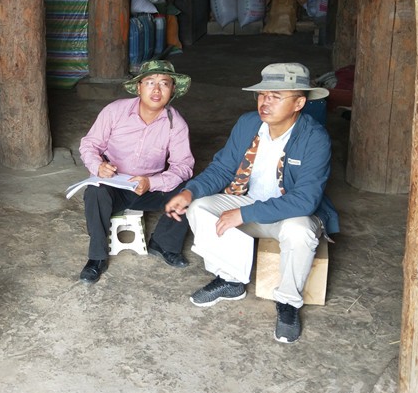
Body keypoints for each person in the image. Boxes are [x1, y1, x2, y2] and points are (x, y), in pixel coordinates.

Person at [164, 62, 339, 343]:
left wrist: (244, 213)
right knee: (199, 208)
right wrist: (190, 192)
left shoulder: (314, 138)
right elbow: (222, 169)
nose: (265, 102)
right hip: (246, 201)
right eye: (262, 95)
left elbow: (305, 200)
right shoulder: (248, 124)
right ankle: (231, 280)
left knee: (300, 232)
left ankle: (288, 303)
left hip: (288, 214)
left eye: (276, 96)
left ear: (299, 103)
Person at [78, 60, 195, 283]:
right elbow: (89, 145)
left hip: (148, 188)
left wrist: (152, 183)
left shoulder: (176, 123)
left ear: (172, 90)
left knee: (190, 189)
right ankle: (97, 258)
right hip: (114, 185)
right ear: (139, 87)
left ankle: (163, 244)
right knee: (94, 191)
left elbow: (183, 166)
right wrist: (98, 166)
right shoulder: (115, 111)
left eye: (164, 83)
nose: (157, 90)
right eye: (150, 82)